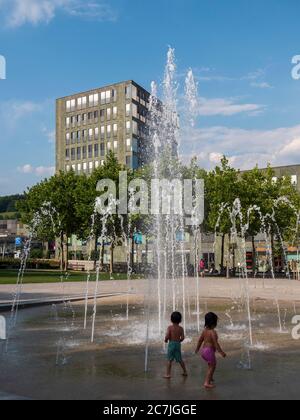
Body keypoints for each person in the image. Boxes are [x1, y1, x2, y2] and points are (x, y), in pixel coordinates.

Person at [195, 312, 226, 389]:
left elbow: (200, 341)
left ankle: (210, 377)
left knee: (210, 365)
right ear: (214, 323)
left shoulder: (204, 331)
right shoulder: (213, 332)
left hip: (204, 351)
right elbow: (216, 344)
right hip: (209, 351)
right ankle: (207, 382)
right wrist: (221, 352)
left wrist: (197, 349)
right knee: (212, 366)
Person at [164, 312, 188, 379]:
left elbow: (167, 335)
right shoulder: (181, 328)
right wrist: (179, 341)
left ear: (171, 319)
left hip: (171, 344)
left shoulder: (170, 327)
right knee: (180, 359)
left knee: (169, 359)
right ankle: (185, 371)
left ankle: (168, 374)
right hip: (177, 344)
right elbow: (183, 337)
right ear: (180, 320)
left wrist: (166, 340)